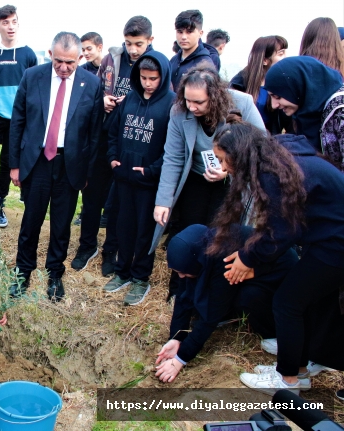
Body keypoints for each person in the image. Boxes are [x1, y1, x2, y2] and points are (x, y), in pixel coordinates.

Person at [204, 118, 344, 394]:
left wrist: (248, 258)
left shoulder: (274, 174)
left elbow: (280, 232)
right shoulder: (275, 155)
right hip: (328, 238)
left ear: (239, 154)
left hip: (336, 245)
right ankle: (298, 369)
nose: (222, 168)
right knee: (304, 302)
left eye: (223, 160)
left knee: (287, 303)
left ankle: (287, 381)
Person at [151, 65, 265, 298]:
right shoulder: (179, 110)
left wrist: (228, 171)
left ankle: (210, 292)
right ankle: (180, 290)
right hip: (195, 178)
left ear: (214, 96)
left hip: (231, 183)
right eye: (188, 101)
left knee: (221, 235)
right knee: (188, 233)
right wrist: (163, 201)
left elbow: (261, 147)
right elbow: (173, 157)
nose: (192, 107)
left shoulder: (242, 104)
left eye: (199, 103)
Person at [9, 31, 103, 302]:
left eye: (70, 63)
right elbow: (18, 122)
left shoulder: (91, 84)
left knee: (61, 224)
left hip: (70, 165)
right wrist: (14, 165)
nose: (63, 68)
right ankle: (22, 273)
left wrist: (86, 172)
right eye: (59, 61)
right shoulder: (32, 76)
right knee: (31, 221)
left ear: (80, 58)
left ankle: (54, 275)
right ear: (50, 55)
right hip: (37, 162)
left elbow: (94, 134)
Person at [154, 224, 298, 384]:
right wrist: (177, 337)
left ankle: (273, 335)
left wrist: (180, 359)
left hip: (276, 276)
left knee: (246, 297)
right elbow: (183, 297)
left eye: (184, 272)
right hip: (243, 273)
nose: (180, 276)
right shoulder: (199, 251)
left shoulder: (223, 256)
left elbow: (211, 315)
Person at [72, 16, 155, 276]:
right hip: (104, 133)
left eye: (138, 44)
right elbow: (97, 89)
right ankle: (88, 246)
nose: (132, 49)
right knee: (92, 196)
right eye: (129, 43)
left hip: (129, 141)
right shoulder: (111, 59)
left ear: (150, 41)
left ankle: (111, 250)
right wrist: (104, 100)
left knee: (116, 202)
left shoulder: (153, 65)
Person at [105, 51, 176, 305]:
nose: (148, 83)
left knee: (145, 231)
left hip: (149, 183)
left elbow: (172, 147)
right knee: (123, 227)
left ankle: (140, 278)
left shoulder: (172, 104)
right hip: (123, 178)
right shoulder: (129, 99)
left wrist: (151, 170)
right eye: (144, 77)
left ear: (163, 77)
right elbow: (113, 131)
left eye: (153, 78)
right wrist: (113, 157)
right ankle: (122, 272)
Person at [0, 5, 37, 228]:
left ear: (18, 24)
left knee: (8, 163)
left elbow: (34, 86)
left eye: (13, 21)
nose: (10, 26)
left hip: (17, 121)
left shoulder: (28, 54)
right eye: (5, 22)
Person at [264, 56, 344, 161]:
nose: (274, 105)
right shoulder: (308, 113)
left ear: (298, 86)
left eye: (278, 97)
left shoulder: (340, 111)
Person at [229, 35, 292, 135]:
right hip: (243, 139)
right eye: (281, 54)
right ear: (265, 60)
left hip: (271, 140)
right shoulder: (239, 83)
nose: (286, 58)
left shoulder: (283, 82)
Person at [169, 10, 219, 90]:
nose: (184, 37)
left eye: (189, 32)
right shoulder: (173, 60)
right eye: (180, 32)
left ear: (200, 33)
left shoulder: (205, 65)